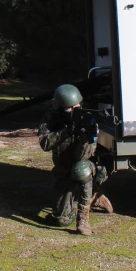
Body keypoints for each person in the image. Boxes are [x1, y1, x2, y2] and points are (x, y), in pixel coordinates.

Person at [37, 84, 113, 235]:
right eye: (71, 108)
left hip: (84, 167)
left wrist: (88, 136)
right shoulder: (51, 118)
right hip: (63, 172)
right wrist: (66, 131)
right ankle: (89, 198)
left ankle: (84, 218)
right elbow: (45, 143)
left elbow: (83, 157)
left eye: (78, 106)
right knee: (62, 220)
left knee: (81, 169)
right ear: (59, 108)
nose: (75, 110)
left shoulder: (86, 119)